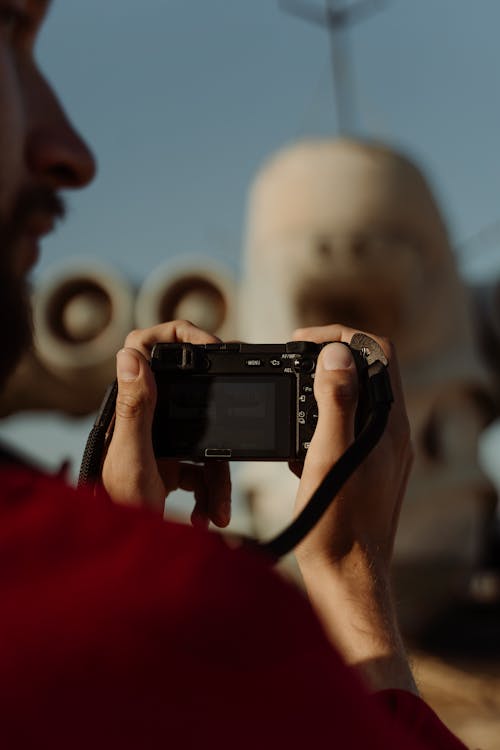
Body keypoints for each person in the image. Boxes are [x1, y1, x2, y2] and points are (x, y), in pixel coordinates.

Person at [0, 2, 466, 747]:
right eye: (8, 34)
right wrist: (351, 579)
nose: (71, 152)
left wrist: (109, 542)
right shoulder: (215, 614)